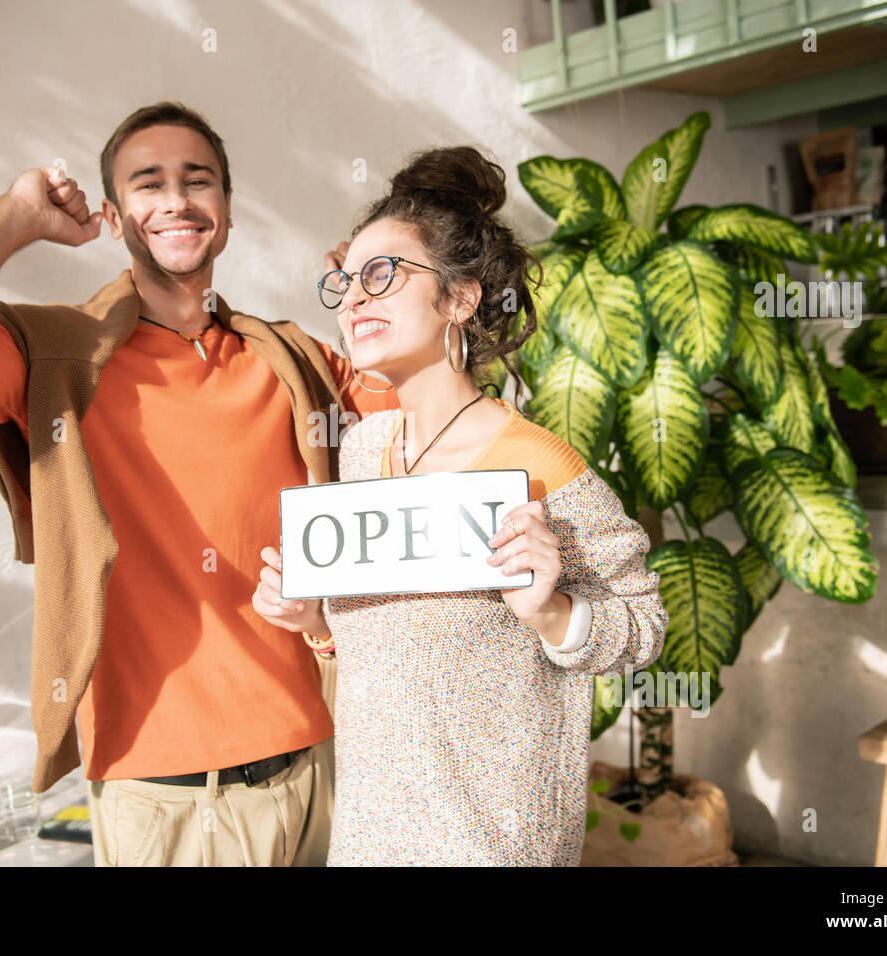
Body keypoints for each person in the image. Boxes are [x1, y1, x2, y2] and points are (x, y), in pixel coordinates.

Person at [0, 102, 399, 866]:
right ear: (116, 214)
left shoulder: (290, 359)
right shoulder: (55, 358)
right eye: (147, 183)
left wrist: (380, 303)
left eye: (198, 181)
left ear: (226, 211)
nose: (176, 200)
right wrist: (13, 216)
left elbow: (413, 446)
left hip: (318, 762)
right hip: (166, 796)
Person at [252, 146, 669, 865]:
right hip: (372, 837)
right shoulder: (361, 451)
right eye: (346, 280)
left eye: (381, 275)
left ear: (460, 297)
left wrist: (553, 612)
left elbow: (644, 625)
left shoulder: (539, 466)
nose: (353, 299)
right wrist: (316, 621)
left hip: (493, 843)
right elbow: (386, 649)